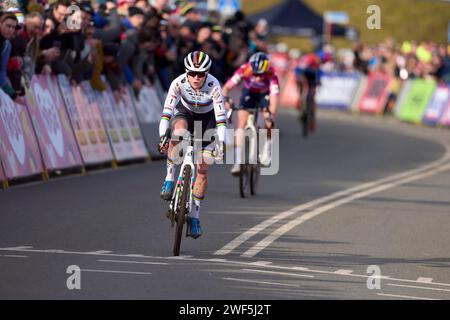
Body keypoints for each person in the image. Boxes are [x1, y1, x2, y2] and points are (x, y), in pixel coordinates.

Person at [158, 51, 226, 239]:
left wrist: (221, 143)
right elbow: (166, 114)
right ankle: (169, 178)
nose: (196, 78)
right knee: (177, 133)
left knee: (203, 169)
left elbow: (221, 121)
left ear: (207, 73)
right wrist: (163, 135)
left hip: (208, 121)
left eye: (201, 74)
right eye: (192, 73)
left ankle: (195, 217)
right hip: (185, 114)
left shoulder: (214, 85)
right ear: (186, 73)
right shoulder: (178, 83)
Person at [222, 51, 279, 175]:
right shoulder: (244, 69)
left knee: (269, 121)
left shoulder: (271, 73)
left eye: (261, 74)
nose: (258, 77)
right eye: (256, 74)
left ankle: (267, 149)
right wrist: (226, 99)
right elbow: (227, 87)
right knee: (241, 124)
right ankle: (238, 162)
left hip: (264, 94)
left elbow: (274, 96)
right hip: (249, 93)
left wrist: (271, 114)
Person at [295, 52, 322, 131]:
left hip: (312, 79)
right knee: (303, 90)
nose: (319, 61)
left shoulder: (318, 66)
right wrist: (300, 79)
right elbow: (299, 72)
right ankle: (301, 104)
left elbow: (319, 75)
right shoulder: (307, 60)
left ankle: (312, 119)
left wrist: (318, 82)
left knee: (312, 96)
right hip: (304, 76)